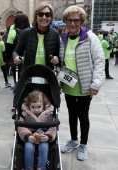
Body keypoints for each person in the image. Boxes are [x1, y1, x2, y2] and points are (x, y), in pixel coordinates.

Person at [59, 5, 105, 161]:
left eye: (76, 20)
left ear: (82, 21)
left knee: (83, 116)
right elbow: (62, 60)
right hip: (68, 84)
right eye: (69, 20)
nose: (73, 23)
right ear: (65, 21)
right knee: (72, 114)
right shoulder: (63, 38)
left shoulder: (90, 37)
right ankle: (73, 140)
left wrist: (96, 84)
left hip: (85, 86)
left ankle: (84, 144)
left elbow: (99, 61)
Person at [13, 2, 60, 71]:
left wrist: (57, 59)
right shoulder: (26, 33)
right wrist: (16, 57)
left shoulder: (55, 34)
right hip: (29, 76)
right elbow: (16, 52)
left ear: (51, 18)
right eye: (41, 14)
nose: (44, 17)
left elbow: (58, 55)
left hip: (48, 76)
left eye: (47, 15)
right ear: (36, 16)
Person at [18, 90, 56, 170]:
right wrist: (27, 136)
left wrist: (48, 136)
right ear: (28, 105)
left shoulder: (48, 114)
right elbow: (21, 127)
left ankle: (41, 167)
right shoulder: (25, 114)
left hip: (43, 137)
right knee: (29, 147)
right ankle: (28, 167)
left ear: (44, 105)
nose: (36, 110)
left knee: (44, 147)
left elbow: (53, 128)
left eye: (39, 107)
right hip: (30, 137)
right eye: (33, 107)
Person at [6, 13, 30, 90]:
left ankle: (18, 88)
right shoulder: (31, 31)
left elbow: (8, 46)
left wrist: (9, 59)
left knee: (17, 76)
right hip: (28, 59)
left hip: (16, 58)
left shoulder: (13, 31)